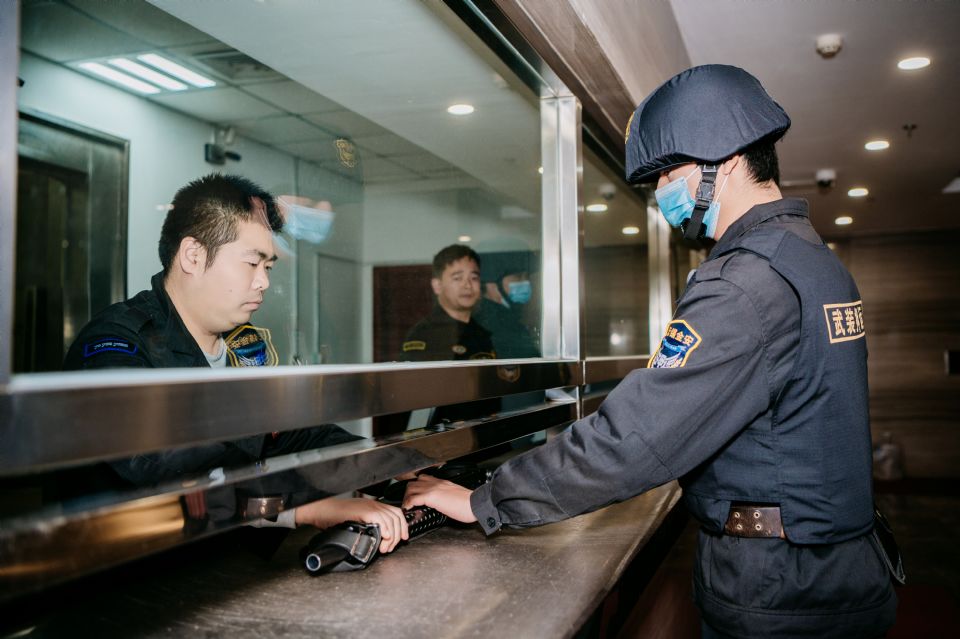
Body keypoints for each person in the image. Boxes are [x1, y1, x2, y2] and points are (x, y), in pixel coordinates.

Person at [404, 65, 896, 637]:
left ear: (723, 161)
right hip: (834, 566)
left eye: (669, 171)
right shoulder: (810, 259)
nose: (663, 189)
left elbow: (634, 439)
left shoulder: (743, 284)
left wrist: (486, 500)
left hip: (782, 589)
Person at [63, 173, 407, 552]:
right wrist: (301, 507)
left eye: (268, 267)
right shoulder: (119, 341)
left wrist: (393, 465)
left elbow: (287, 433)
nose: (263, 282)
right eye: (252, 263)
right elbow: (157, 463)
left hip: (224, 562)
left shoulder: (243, 344)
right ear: (193, 255)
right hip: (133, 572)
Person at [400, 244, 495, 362]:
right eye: (457, 278)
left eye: (474, 278)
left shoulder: (482, 332)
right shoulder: (424, 335)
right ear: (437, 286)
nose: (468, 285)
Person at [472, 247, 540, 359]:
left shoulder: (509, 320)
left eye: (527, 277)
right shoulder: (491, 328)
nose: (526, 283)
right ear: (490, 283)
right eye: (517, 277)